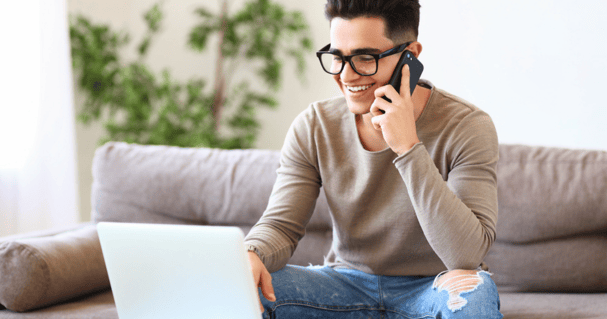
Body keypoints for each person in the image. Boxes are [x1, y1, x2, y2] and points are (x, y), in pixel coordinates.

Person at [243, 0, 503, 318]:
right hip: (343, 286)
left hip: (433, 287)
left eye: (365, 58)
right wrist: (250, 253)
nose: (347, 75)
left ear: (412, 55)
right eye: (337, 57)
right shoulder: (314, 125)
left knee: (473, 292)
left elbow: (465, 256)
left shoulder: (467, 126)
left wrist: (408, 147)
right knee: (242, 285)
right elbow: (281, 226)